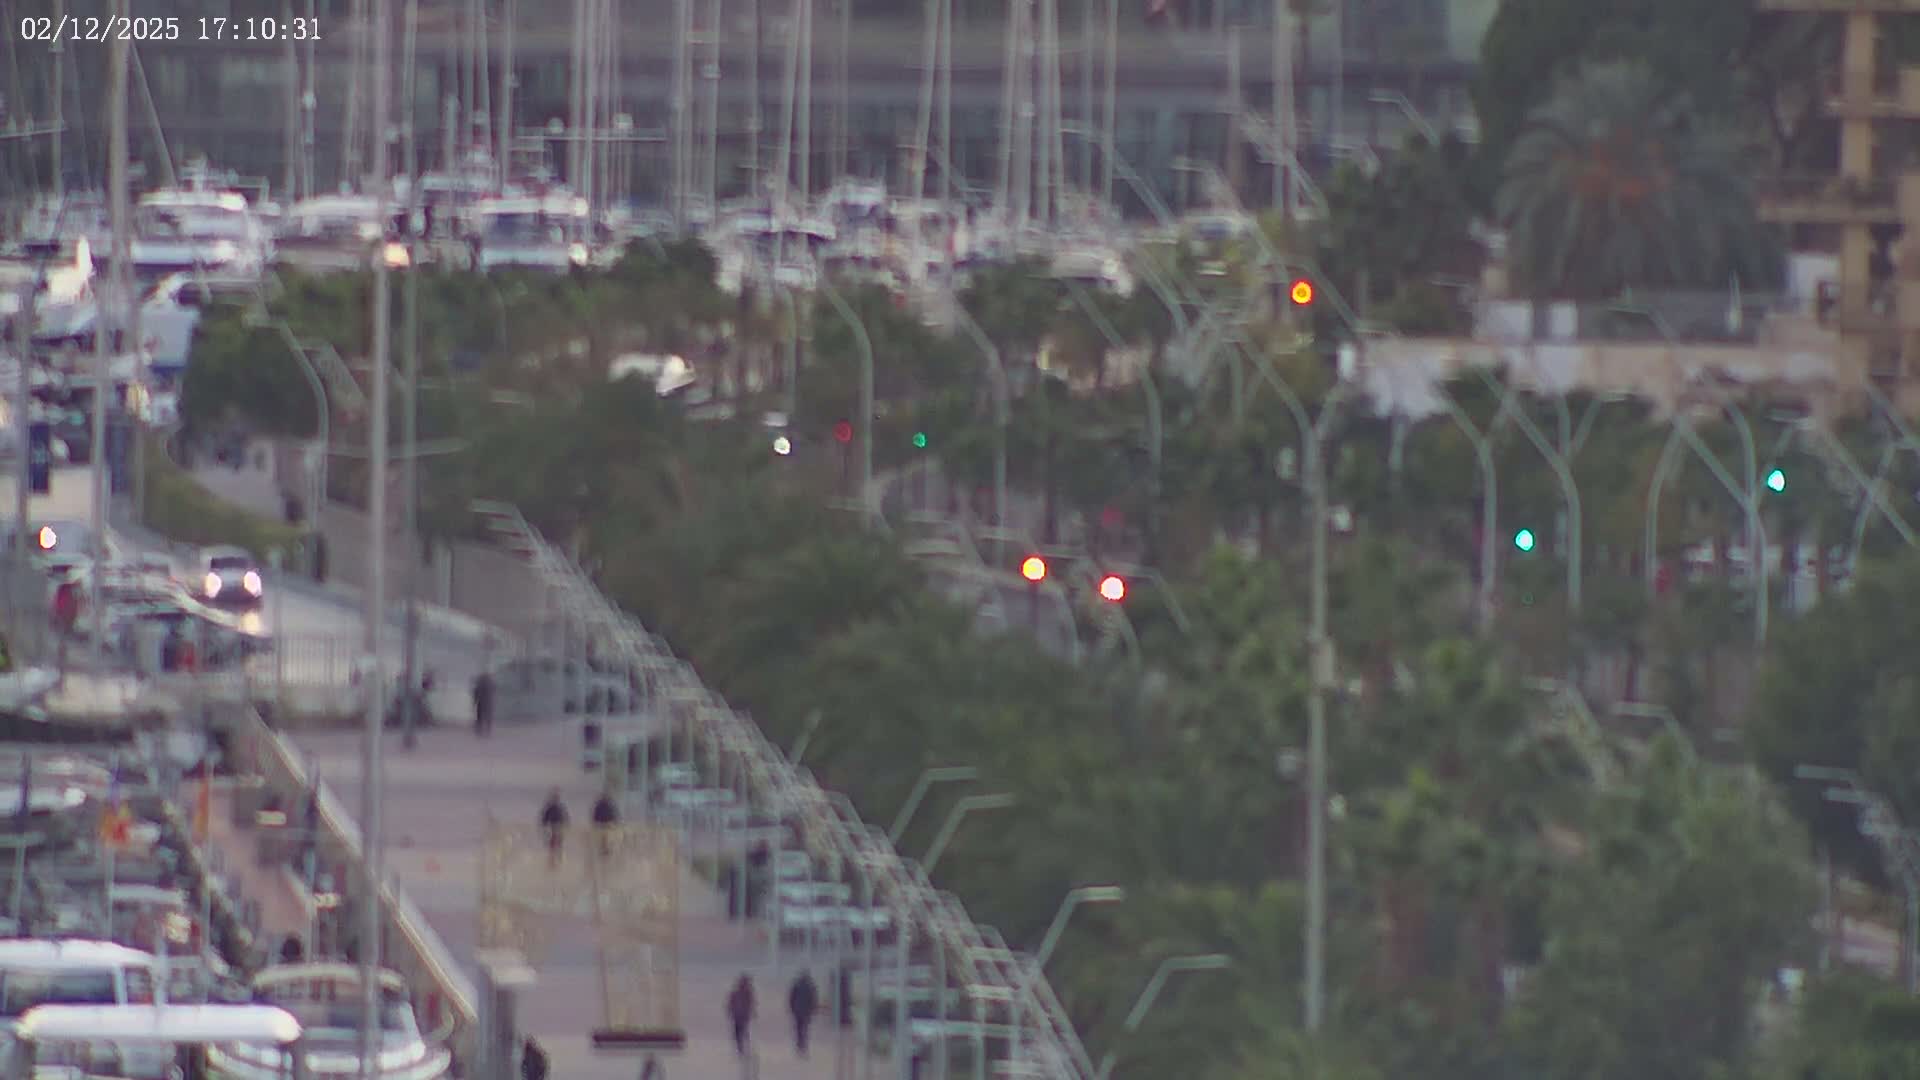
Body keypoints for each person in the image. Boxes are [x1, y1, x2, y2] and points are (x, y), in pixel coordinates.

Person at [788, 970, 818, 1056]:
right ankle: (804, 1046)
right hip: (806, 1012)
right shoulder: (810, 986)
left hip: (797, 1011)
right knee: (805, 1029)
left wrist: (792, 1008)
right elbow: (813, 999)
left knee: (799, 1029)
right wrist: (813, 1010)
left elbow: (791, 998)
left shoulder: (796, 985)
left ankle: (799, 1046)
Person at [726, 973, 755, 1058]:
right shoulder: (739, 992)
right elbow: (731, 1002)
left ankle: (743, 1048)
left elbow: (751, 1004)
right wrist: (730, 1010)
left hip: (742, 1015)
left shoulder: (747, 993)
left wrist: (751, 1011)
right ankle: (742, 1048)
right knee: (739, 1032)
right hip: (738, 1015)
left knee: (742, 1032)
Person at [539, 789, 568, 868]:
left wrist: (543, 824)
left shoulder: (558, 807)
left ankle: (555, 860)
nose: (555, 799)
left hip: (556, 826)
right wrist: (544, 825)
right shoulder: (555, 807)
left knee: (556, 843)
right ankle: (554, 860)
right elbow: (545, 817)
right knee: (555, 843)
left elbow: (564, 817)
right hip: (553, 826)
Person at [592, 790, 618, 855]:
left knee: (604, 839)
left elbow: (595, 815)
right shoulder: (609, 805)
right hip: (605, 825)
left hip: (603, 825)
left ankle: (605, 850)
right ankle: (605, 850)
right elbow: (614, 814)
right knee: (605, 839)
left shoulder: (601, 805)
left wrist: (595, 822)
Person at [472, 671, 495, 736]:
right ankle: (487, 730)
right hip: (488, 703)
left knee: (480, 718)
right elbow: (494, 691)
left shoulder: (479, 684)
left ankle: (479, 730)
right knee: (488, 717)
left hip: (481, 702)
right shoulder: (491, 683)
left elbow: (476, 693)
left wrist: (474, 702)